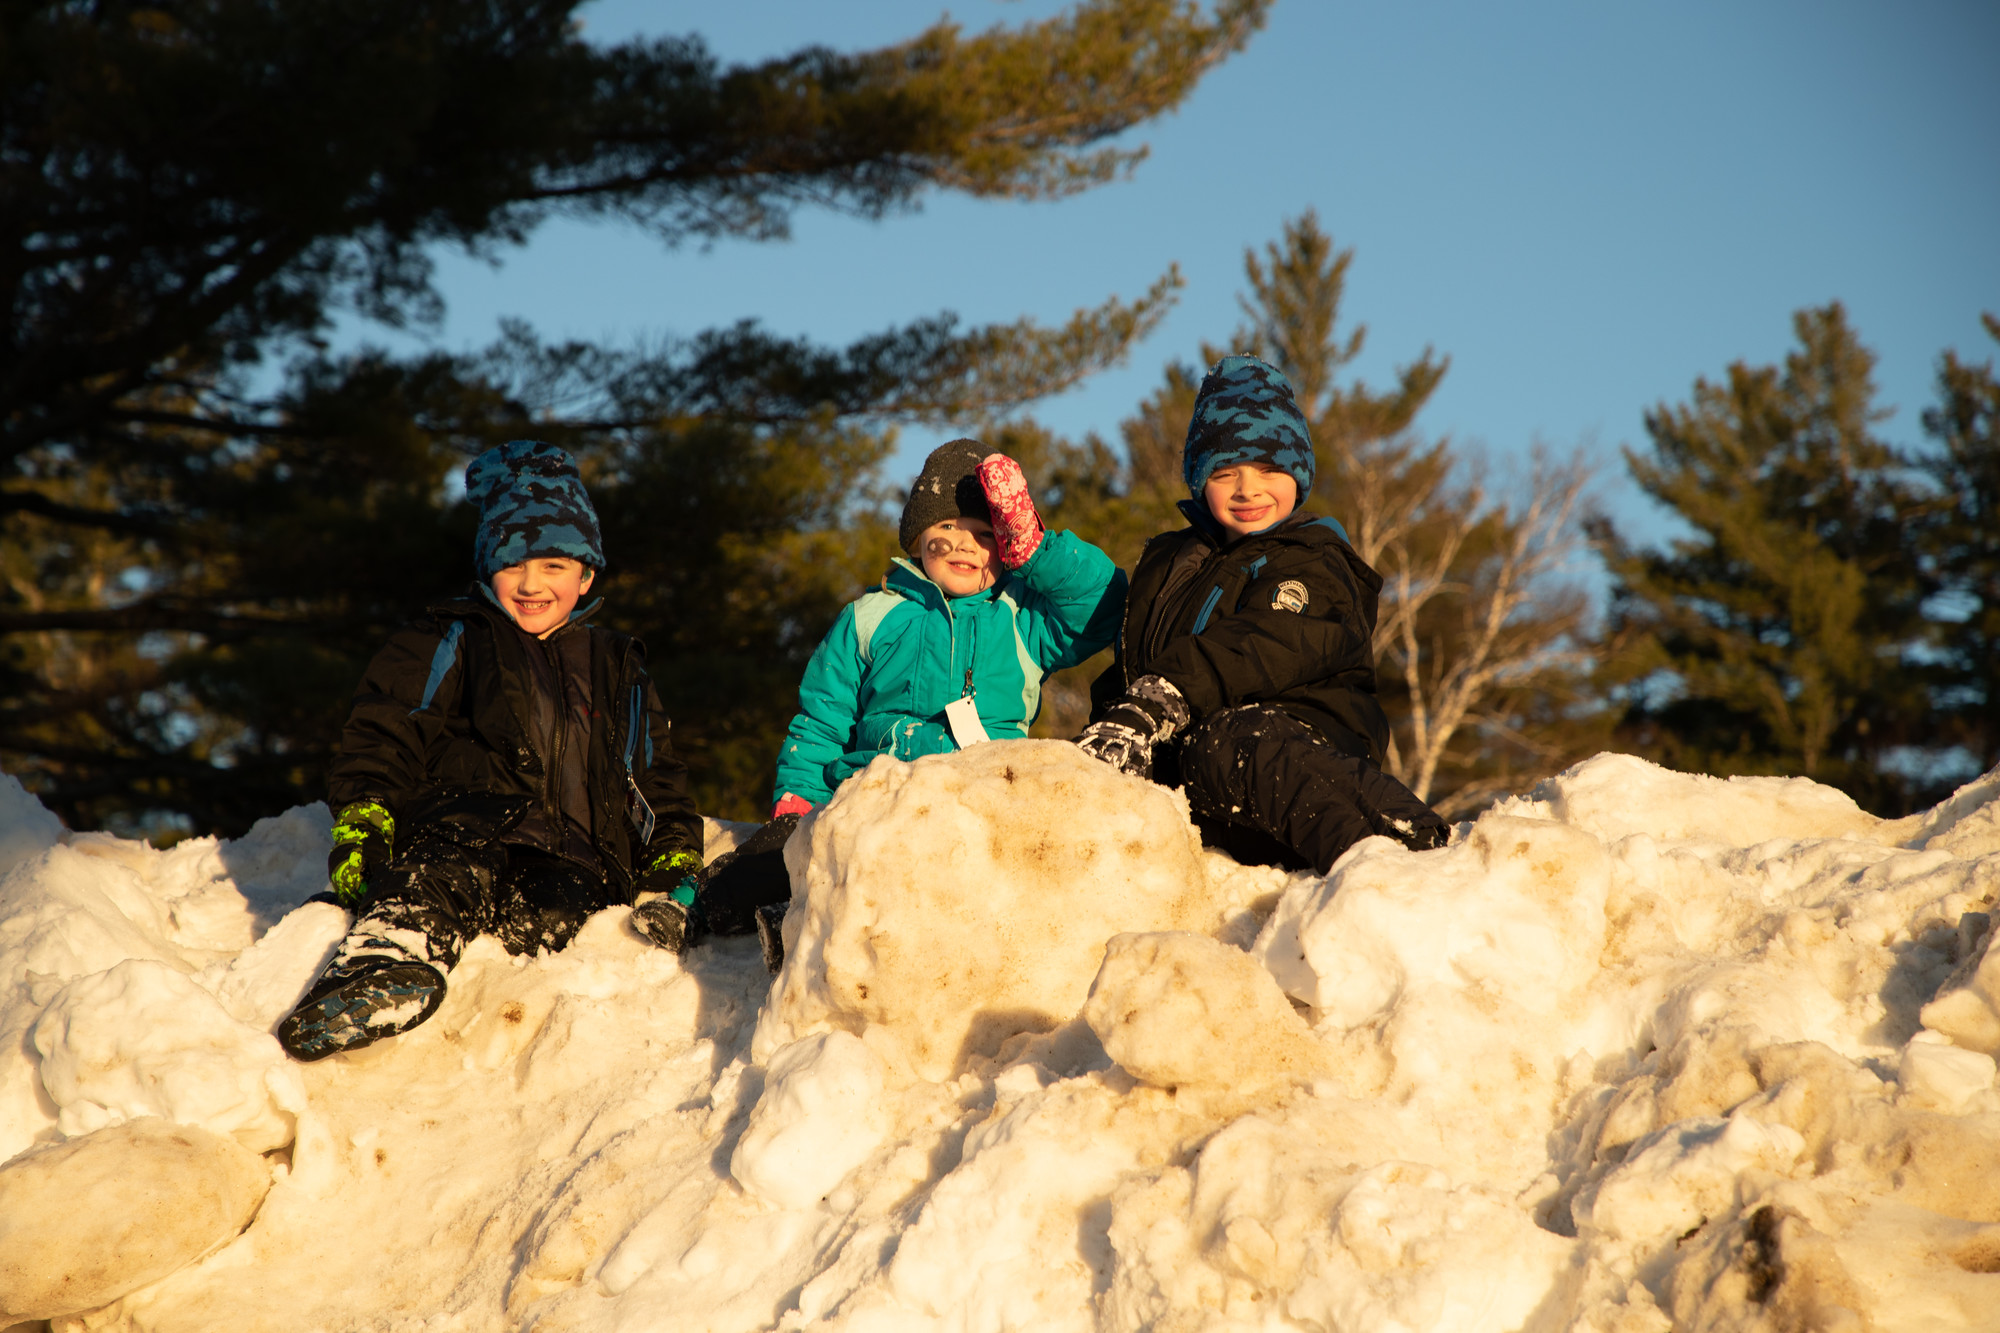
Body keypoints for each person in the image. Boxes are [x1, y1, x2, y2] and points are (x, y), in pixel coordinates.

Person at [278, 440, 704, 1061]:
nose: (532, 585)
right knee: (445, 875)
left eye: (554, 567)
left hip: (576, 857)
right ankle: (378, 965)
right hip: (465, 823)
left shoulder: (618, 665)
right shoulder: (456, 635)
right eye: (513, 566)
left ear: (586, 575)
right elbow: (388, 727)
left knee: (558, 918)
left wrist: (671, 856)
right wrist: (366, 816)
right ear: (487, 570)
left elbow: (655, 775)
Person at [651, 440, 1125, 968]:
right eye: (947, 531)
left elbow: (1103, 605)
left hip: (975, 797)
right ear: (919, 538)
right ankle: (700, 904)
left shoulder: (1021, 621)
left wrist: (1034, 547)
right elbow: (822, 719)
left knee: (921, 872)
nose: (965, 546)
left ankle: (805, 923)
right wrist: (799, 797)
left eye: (985, 534)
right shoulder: (872, 617)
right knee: (788, 848)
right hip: (869, 787)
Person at [1074, 354, 1448, 875]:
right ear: (1201, 481)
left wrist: (1160, 699)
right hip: (1206, 784)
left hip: (1294, 748)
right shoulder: (1168, 564)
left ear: (1298, 475)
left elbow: (1261, 644)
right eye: (1226, 473)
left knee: (1227, 744)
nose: (1248, 489)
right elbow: (1131, 667)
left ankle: (1387, 859)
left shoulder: (1312, 562)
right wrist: (1112, 733)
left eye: (1269, 469)